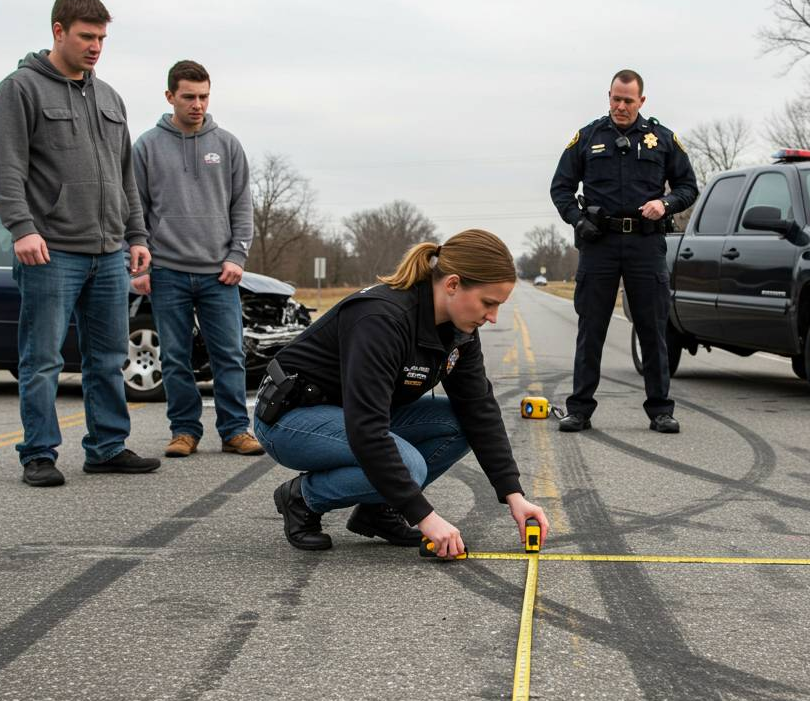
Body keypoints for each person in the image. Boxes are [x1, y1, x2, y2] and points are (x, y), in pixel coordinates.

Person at [254, 230, 550, 557]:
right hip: (290, 420)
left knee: (459, 423)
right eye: (488, 303)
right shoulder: (380, 319)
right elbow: (367, 430)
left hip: (352, 416)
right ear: (452, 284)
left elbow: (479, 409)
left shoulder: (460, 330)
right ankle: (301, 498)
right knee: (409, 466)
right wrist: (424, 516)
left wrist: (514, 495)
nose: (492, 317)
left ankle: (379, 511)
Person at [0, 0, 160, 487]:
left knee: (108, 359)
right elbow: (5, 167)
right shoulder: (20, 89)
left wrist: (136, 234)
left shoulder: (110, 98)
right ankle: (38, 453)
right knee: (43, 359)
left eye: (102, 38)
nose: (95, 47)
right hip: (51, 251)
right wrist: (21, 228)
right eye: (86, 36)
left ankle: (107, 447)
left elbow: (125, 176)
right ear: (58, 31)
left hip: (108, 252)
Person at [549, 69, 699, 434]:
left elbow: (688, 187)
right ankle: (580, 410)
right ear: (609, 96)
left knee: (653, 328)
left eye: (628, 101)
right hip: (599, 243)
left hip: (645, 244)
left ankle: (660, 410)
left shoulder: (662, 139)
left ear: (641, 101)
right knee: (591, 329)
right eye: (616, 99)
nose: (620, 106)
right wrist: (578, 221)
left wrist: (665, 204)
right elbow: (561, 188)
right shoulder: (588, 137)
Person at [131, 60, 263, 459]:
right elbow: (134, 209)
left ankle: (235, 430)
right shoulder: (147, 146)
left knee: (230, 355)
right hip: (167, 271)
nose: (198, 104)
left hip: (219, 273)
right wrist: (138, 265)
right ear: (170, 96)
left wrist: (237, 255)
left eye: (204, 96)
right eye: (189, 96)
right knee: (175, 357)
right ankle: (184, 431)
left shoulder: (227, 145)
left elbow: (242, 205)